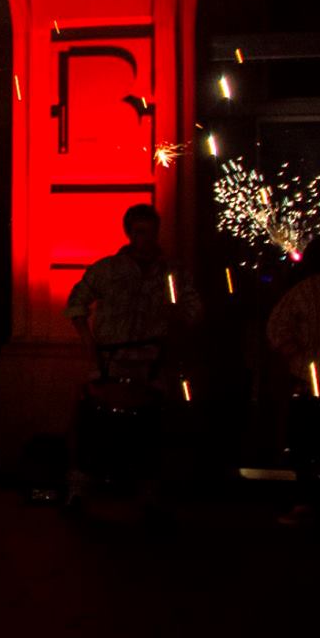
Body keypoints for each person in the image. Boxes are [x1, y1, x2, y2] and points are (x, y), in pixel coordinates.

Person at [65, 203, 200, 507]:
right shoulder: (107, 269)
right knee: (92, 423)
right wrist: (88, 342)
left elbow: (194, 311)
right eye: (138, 232)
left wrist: (177, 322)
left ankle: (147, 489)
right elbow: (76, 303)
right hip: (110, 363)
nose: (144, 239)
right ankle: (80, 486)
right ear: (128, 233)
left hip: (152, 362)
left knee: (150, 428)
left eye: (150, 232)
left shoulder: (172, 273)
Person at [268, 236, 320, 526]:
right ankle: (306, 502)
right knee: (308, 445)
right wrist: (295, 354)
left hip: (316, 377)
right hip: (312, 381)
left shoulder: (308, 288)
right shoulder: (308, 289)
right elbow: (278, 326)